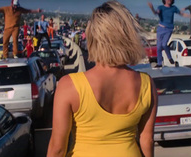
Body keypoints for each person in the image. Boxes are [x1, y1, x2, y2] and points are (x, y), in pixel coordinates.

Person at [47, 1, 158, 157]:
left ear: (93, 37)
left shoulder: (70, 85)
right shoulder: (146, 84)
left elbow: (57, 149)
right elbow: (147, 140)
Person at [148, 0, 190, 68]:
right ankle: (159, 63)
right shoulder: (161, 7)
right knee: (158, 47)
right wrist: (152, 8)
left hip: (168, 29)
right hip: (160, 29)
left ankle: (169, 57)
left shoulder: (173, 8)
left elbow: (181, 14)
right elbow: (156, 13)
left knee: (164, 44)